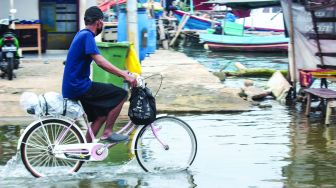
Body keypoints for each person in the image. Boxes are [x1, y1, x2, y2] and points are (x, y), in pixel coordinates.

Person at [62, 6, 137, 143]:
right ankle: (108, 132)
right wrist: (124, 75)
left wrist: (122, 72)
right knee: (120, 94)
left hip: (75, 85)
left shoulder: (81, 34)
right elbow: (100, 61)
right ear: (98, 23)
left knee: (101, 115)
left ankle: (85, 149)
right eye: (102, 22)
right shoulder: (87, 36)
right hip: (79, 86)